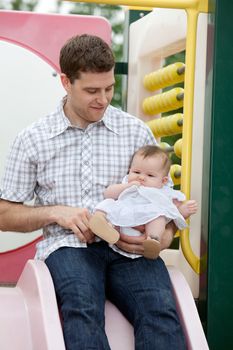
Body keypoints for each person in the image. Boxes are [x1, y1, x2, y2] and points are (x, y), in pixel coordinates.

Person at [0, 34, 187, 349]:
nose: (103, 99)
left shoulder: (136, 132)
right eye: (91, 90)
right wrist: (55, 212)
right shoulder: (33, 139)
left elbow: (163, 206)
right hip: (70, 248)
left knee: (160, 308)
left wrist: (156, 239)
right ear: (66, 82)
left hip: (130, 250)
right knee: (82, 307)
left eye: (109, 88)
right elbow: (4, 214)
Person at [89, 145, 197, 259]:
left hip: (147, 218)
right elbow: (108, 193)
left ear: (163, 181)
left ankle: (153, 241)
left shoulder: (163, 191)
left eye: (150, 175)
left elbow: (171, 208)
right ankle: (103, 224)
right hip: (123, 213)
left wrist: (182, 211)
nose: (141, 177)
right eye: (136, 172)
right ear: (129, 170)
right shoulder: (127, 183)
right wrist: (127, 186)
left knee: (158, 217)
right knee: (108, 203)